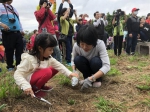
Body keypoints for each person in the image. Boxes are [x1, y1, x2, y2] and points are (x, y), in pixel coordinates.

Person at [14, 33, 79, 97]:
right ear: (40, 48)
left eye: (52, 49)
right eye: (50, 50)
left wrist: (69, 73)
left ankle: (40, 86)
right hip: (28, 81)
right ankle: (35, 89)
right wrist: (25, 86)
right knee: (48, 71)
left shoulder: (48, 58)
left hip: (37, 76)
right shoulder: (29, 59)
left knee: (54, 68)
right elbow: (17, 74)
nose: (52, 52)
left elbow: (59, 65)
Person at [71, 25, 110, 90]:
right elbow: (73, 61)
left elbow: (107, 66)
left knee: (95, 61)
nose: (84, 47)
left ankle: (97, 79)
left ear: (93, 41)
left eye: (88, 44)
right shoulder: (76, 46)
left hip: (96, 67)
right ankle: (87, 78)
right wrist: (74, 71)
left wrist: (92, 78)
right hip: (86, 67)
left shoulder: (100, 44)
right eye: (82, 44)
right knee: (77, 59)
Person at [0, 0, 23, 71]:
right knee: (9, 50)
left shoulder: (13, 8)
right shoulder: (0, 6)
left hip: (18, 32)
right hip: (7, 33)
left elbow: (18, 19)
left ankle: (19, 66)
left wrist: (21, 29)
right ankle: (10, 67)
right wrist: (1, 24)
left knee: (20, 50)